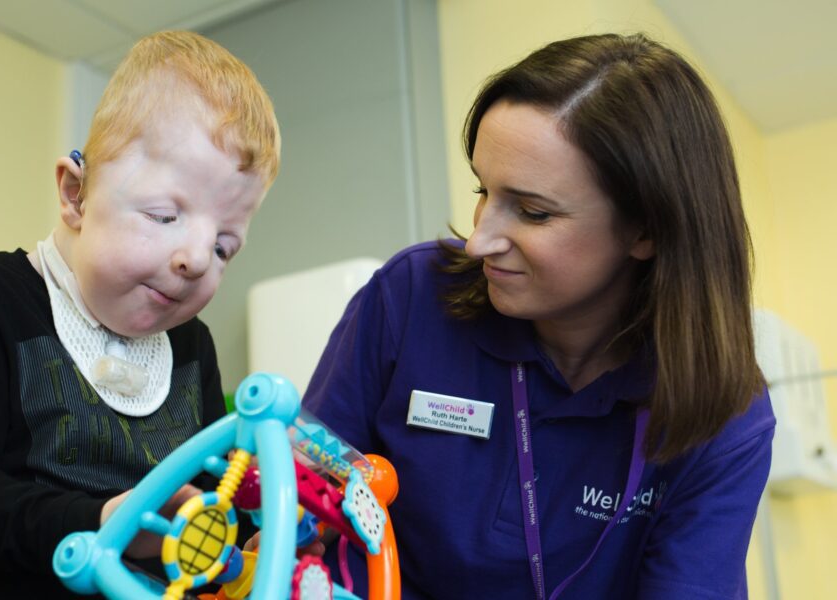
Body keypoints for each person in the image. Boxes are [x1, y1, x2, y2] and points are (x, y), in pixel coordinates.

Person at [303, 33, 774, 599]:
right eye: (483, 190)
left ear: (646, 229)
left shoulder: (722, 413)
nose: (479, 241)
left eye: (532, 211)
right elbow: (301, 510)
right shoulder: (408, 299)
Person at [0, 31, 279, 598]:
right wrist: (99, 523)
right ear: (75, 194)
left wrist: (249, 543)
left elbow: (211, 509)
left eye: (224, 247)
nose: (196, 259)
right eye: (165, 215)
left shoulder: (194, 348)